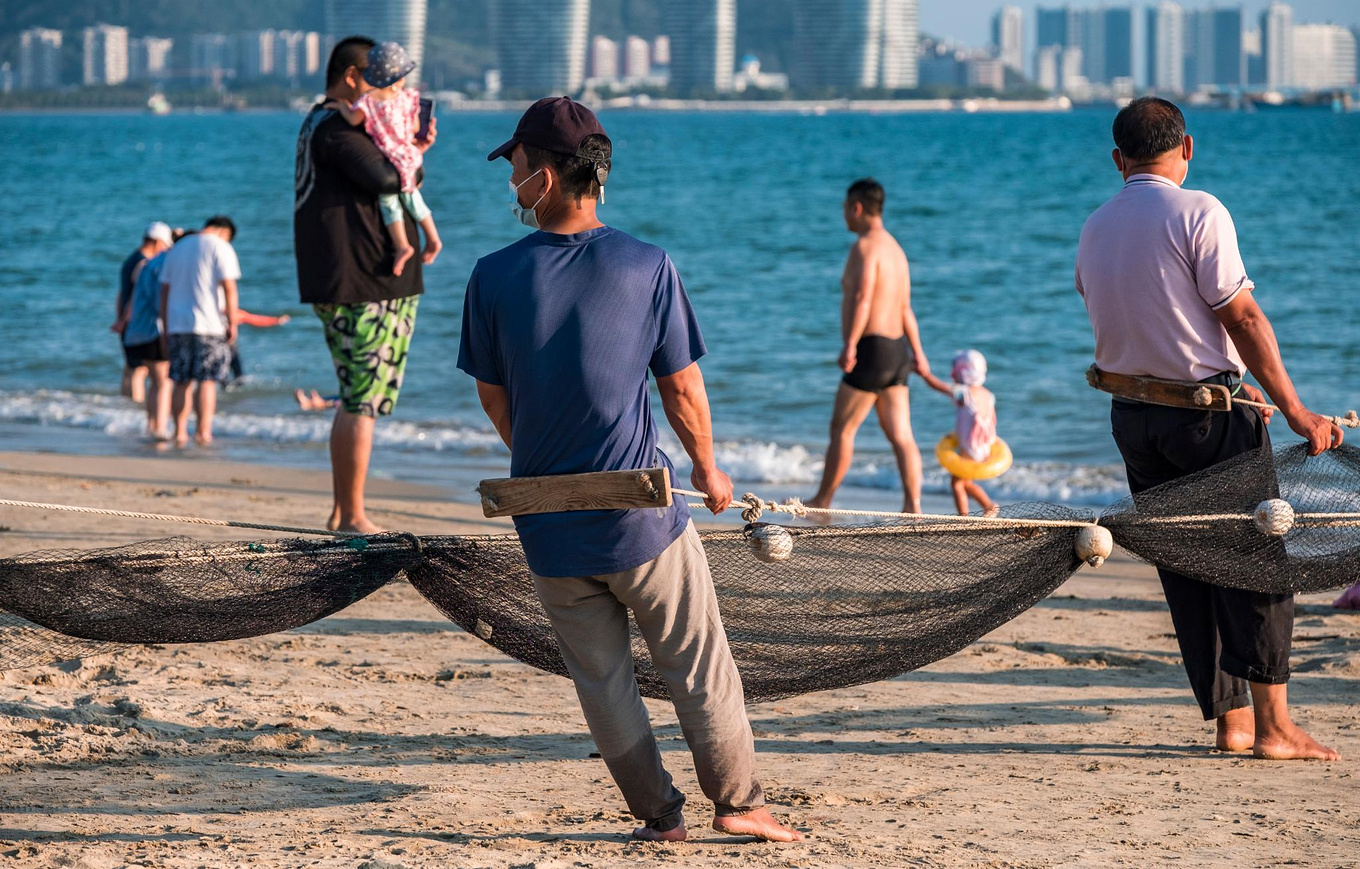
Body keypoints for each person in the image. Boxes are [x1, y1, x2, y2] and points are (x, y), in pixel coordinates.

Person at [459, 97, 801, 844]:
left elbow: (493, 393)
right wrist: (710, 469)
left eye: (514, 166)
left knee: (603, 681)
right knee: (698, 664)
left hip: (548, 524)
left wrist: (545, 464)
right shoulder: (647, 264)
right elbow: (680, 386)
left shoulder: (490, 276)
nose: (510, 180)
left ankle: (659, 815)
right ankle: (738, 801)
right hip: (640, 518)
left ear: (545, 178)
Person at [1076, 97, 1342, 760]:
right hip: (1204, 423)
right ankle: (1276, 727)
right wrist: (1299, 409)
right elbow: (1243, 317)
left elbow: (1132, 311)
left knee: (1189, 567)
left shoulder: (1096, 225)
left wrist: (1225, 379)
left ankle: (1233, 721)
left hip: (1134, 419)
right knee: (1255, 558)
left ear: (1119, 160)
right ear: (1186, 149)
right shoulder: (1199, 211)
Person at [295, 35, 436, 535]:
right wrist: (414, 149)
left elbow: (394, 176)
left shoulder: (324, 124)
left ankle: (342, 511)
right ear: (354, 77)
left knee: (359, 395)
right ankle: (351, 514)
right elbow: (387, 177)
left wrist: (410, 152)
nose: (392, 92)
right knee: (362, 397)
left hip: (358, 278)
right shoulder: (334, 126)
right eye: (382, 81)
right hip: (365, 281)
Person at [807, 179, 929, 515]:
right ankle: (913, 505)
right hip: (897, 351)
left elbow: (861, 298)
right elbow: (905, 308)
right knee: (901, 435)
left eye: (846, 208)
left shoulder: (864, 248)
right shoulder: (897, 250)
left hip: (871, 349)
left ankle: (822, 500)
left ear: (857, 208)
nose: (844, 215)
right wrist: (918, 353)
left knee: (842, 428)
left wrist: (849, 345)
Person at [324, 41, 441, 278]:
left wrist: (342, 107)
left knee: (389, 201)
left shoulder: (368, 102)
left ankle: (402, 246)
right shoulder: (409, 98)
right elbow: (416, 126)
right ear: (400, 77)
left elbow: (354, 120)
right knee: (413, 199)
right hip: (410, 154)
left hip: (390, 157)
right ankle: (433, 237)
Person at [159, 216, 241, 447]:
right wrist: (232, 322)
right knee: (207, 381)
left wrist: (166, 327)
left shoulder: (177, 249)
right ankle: (203, 432)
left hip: (177, 324)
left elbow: (164, 292)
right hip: (210, 325)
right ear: (225, 232)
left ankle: (179, 432)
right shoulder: (220, 246)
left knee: (181, 380)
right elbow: (229, 287)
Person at [121, 227, 189, 438]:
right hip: (154, 330)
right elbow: (160, 300)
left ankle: (152, 426)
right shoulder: (163, 263)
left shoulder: (146, 263)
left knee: (154, 382)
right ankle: (159, 429)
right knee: (163, 383)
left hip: (138, 330)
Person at [920, 350, 1000, 516]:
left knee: (957, 484)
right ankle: (987, 507)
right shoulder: (989, 395)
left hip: (971, 448)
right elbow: (992, 421)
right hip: (984, 445)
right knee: (965, 482)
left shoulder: (964, 393)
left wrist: (925, 374)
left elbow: (939, 387)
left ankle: (968, 514)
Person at [113, 222, 173, 404]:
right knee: (139, 371)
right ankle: (135, 407)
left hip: (127, 322)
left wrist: (120, 319)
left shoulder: (130, 260)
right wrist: (125, 319)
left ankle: (124, 406)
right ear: (157, 242)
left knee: (131, 369)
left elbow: (121, 294)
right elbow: (133, 297)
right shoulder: (144, 263)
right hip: (135, 322)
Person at [227, 309, 291, 385]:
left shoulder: (227, 312)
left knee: (234, 376)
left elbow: (254, 319)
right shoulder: (230, 312)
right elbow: (254, 319)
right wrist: (276, 321)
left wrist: (276, 321)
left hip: (225, 347)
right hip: (226, 347)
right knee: (236, 375)